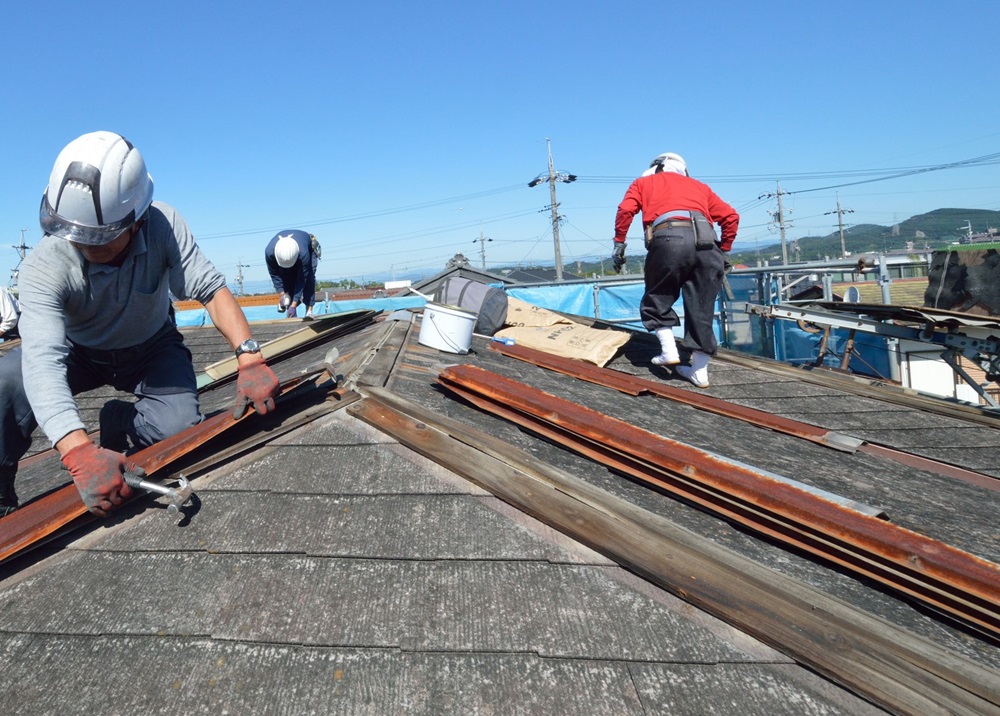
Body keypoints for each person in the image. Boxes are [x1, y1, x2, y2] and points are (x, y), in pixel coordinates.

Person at [0, 130, 281, 518]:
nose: (84, 246)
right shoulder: (44, 265)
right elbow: (43, 358)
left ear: (136, 220)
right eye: (75, 236)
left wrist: (249, 357)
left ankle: (120, 419)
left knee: (181, 432)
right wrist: (78, 452)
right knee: (6, 382)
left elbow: (211, 290)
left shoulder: (163, 225)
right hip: (79, 352)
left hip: (151, 347)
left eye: (99, 239)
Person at [612, 151, 739, 388]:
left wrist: (620, 243)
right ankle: (700, 372)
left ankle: (669, 350)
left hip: (669, 238)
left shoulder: (643, 183)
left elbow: (625, 210)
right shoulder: (699, 187)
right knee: (702, 305)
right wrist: (726, 251)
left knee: (658, 296)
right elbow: (731, 217)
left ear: (655, 168)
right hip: (708, 244)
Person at [265, 229, 318, 319]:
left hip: (307, 249)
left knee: (309, 279)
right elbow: (274, 275)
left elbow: (302, 280)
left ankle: (309, 311)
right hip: (284, 257)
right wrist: (282, 295)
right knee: (287, 281)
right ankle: (290, 311)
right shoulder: (270, 252)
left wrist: (293, 305)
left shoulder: (303, 254)